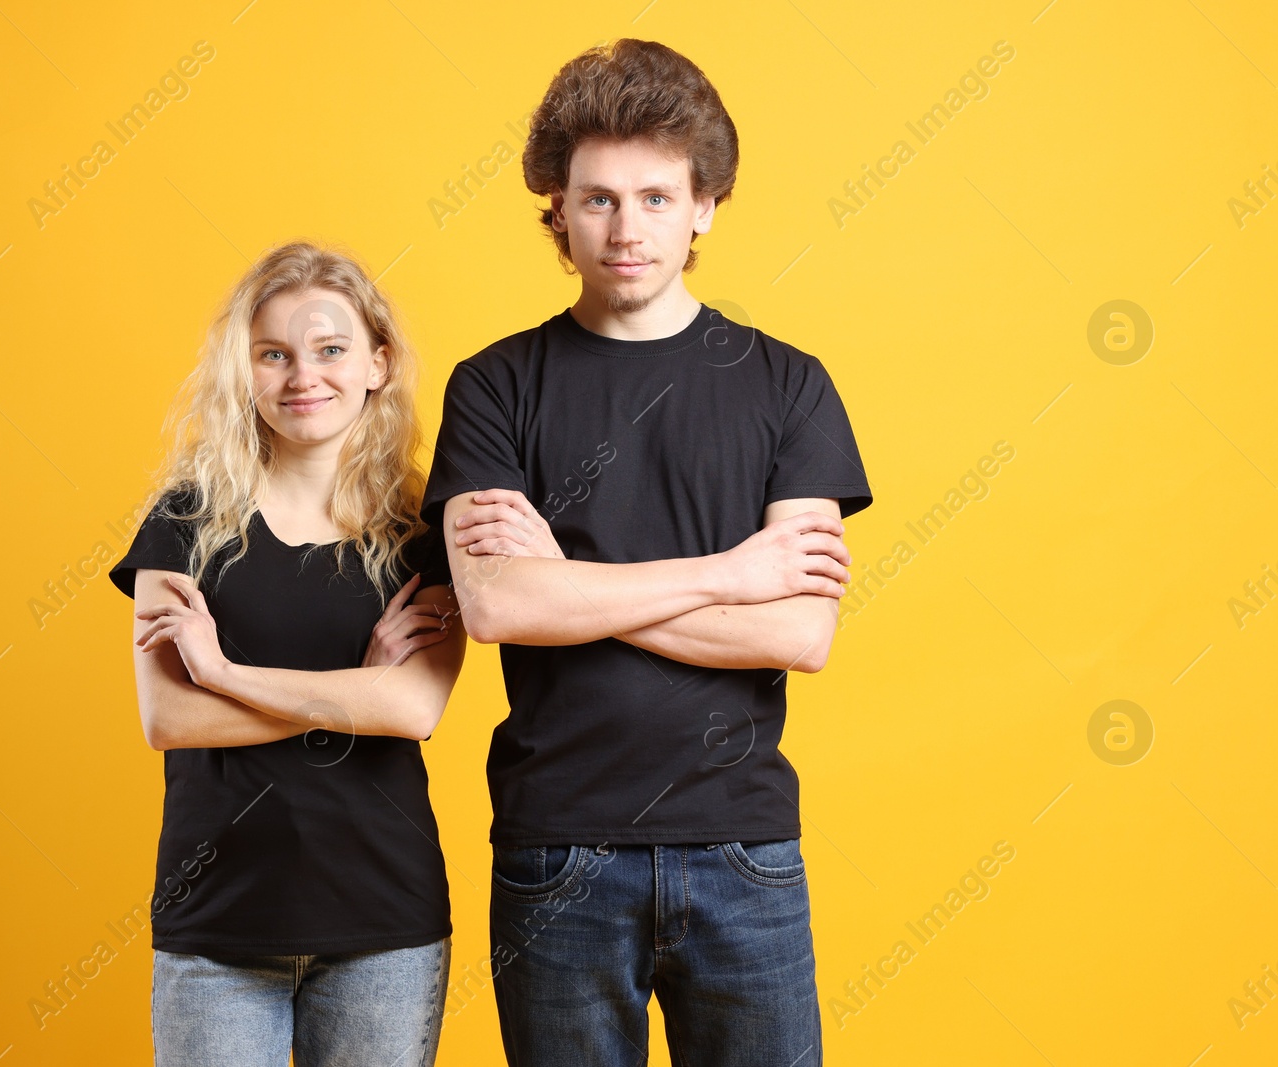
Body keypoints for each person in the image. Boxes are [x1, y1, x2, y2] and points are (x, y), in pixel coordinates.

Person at [419, 39, 873, 1066]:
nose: (626, 230)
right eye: (598, 200)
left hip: (743, 847)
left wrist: (568, 582)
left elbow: (799, 629)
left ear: (705, 204)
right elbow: (494, 608)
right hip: (557, 849)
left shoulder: (788, 386)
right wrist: (727, 574)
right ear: (558, 208)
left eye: (656, 198)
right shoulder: (493, 385)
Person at [107, 241, 466, 1067]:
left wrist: (226, 674)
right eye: (274, 354)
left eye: (331, 349)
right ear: (247, 370)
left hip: (383, 926)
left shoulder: (423, 531)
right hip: (218, 930)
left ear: (377, 363)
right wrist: (354, 695)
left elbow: (412, 708)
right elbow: (169, 717)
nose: (303, 375)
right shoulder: (183, 522)